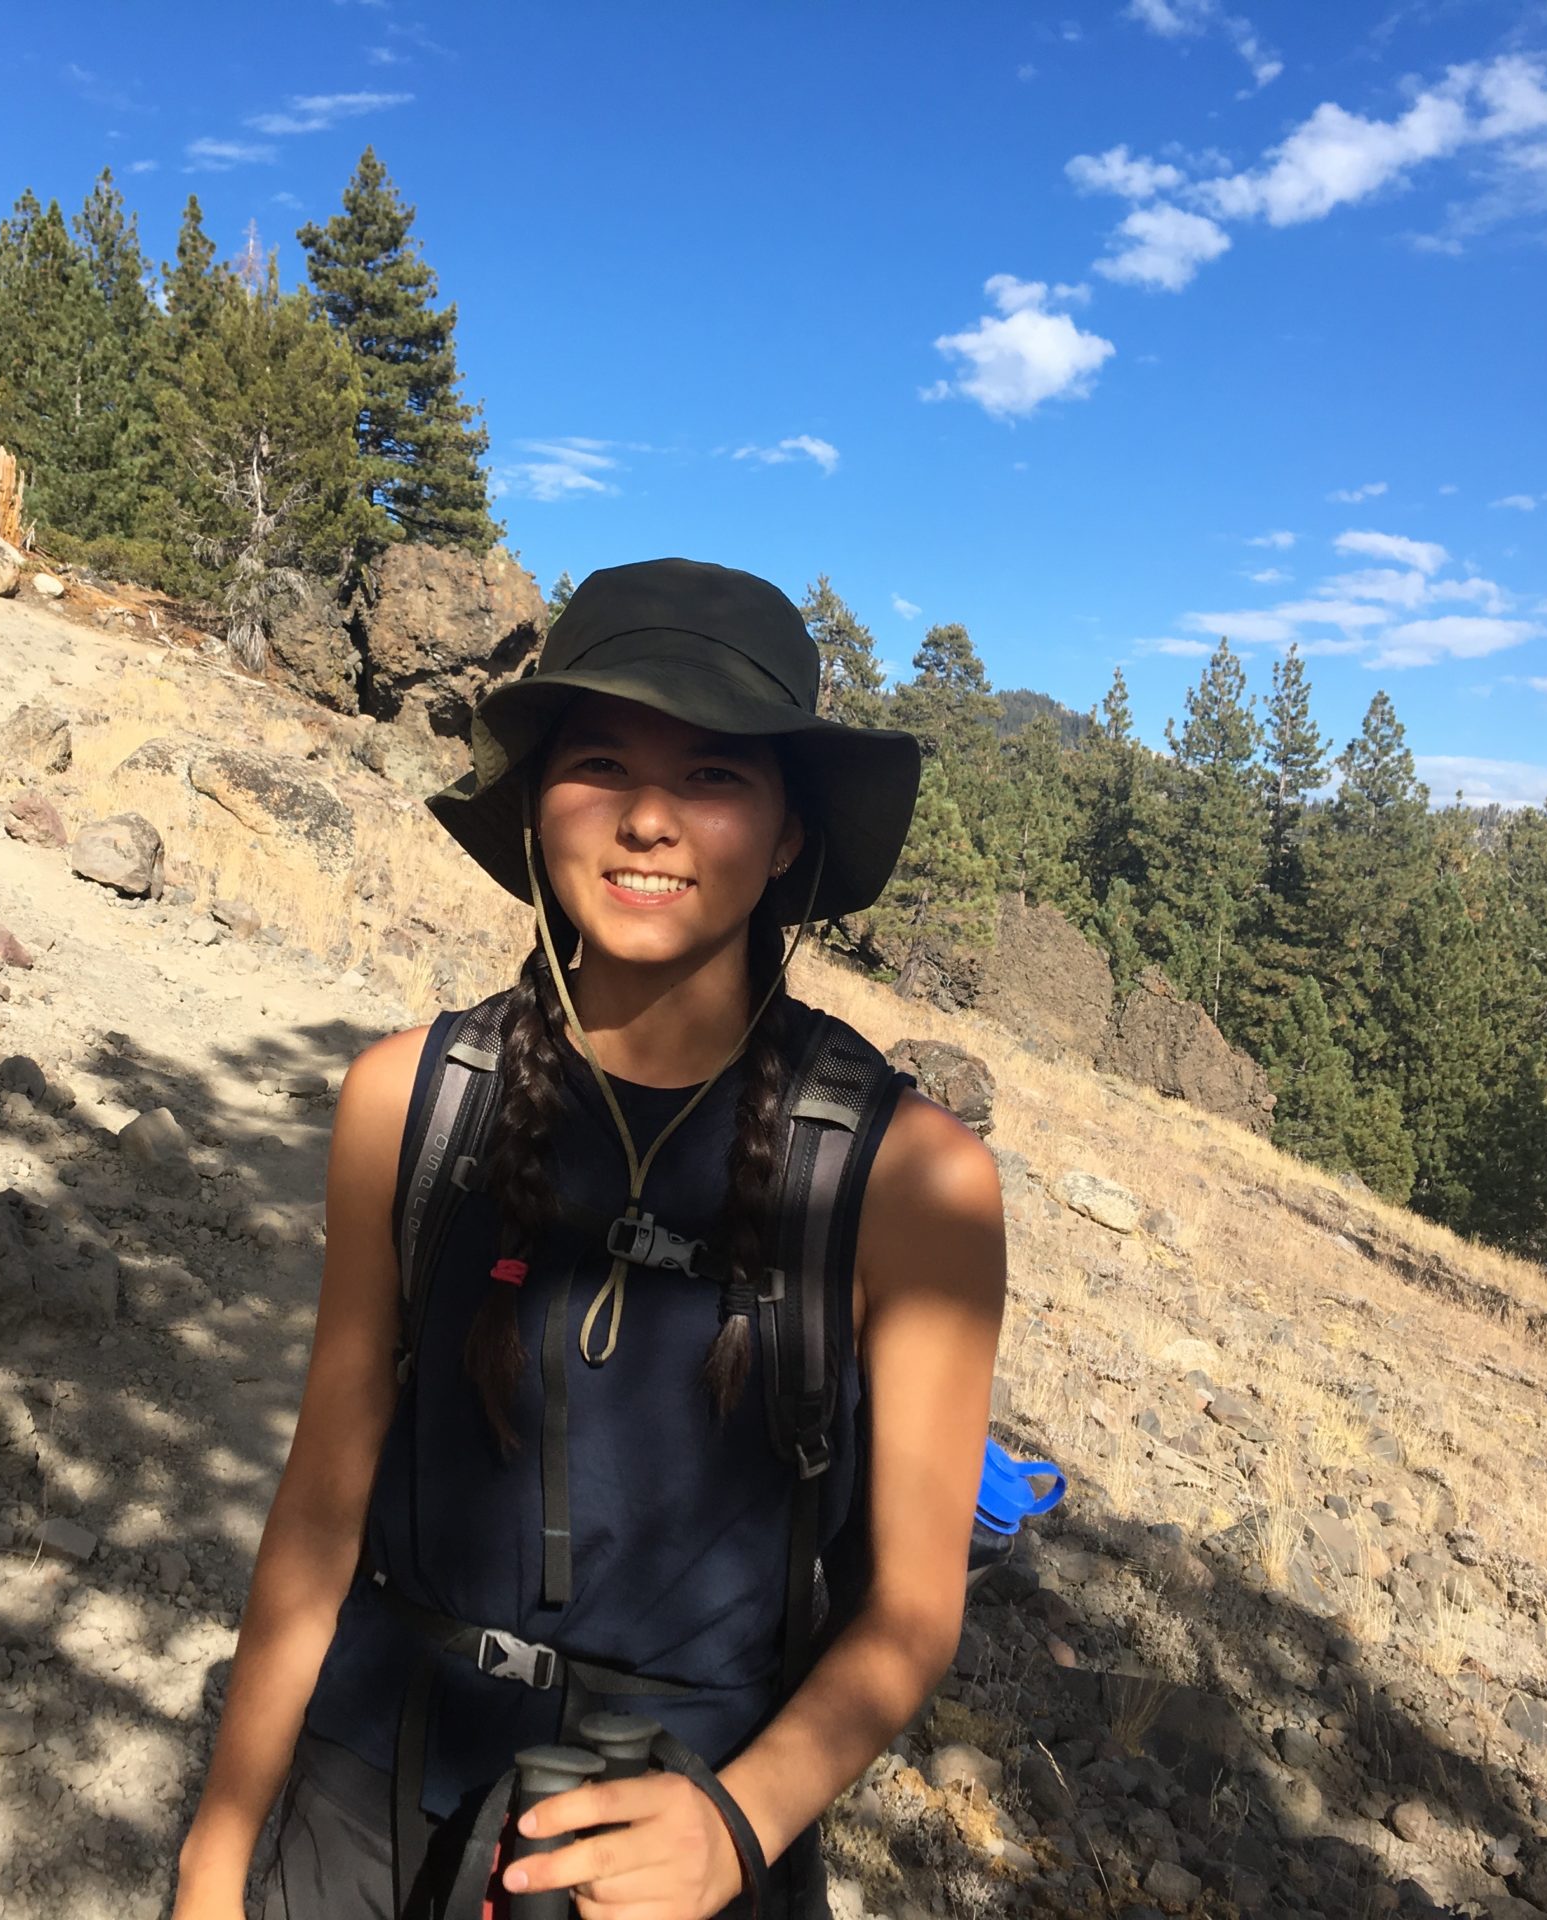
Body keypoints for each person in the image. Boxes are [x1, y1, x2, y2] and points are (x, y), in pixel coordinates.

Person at [172, 559, 1007, 1920]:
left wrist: (737, 1827)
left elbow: (912, 1612)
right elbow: (322, 1508)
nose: (649, 820)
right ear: (536, 803)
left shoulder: (916, 1182)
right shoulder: (408, 1102)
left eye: (715, 775)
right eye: (601, 762)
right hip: (363, 1797)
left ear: (788, 835)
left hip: (673, 1840)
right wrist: (216, 1854)